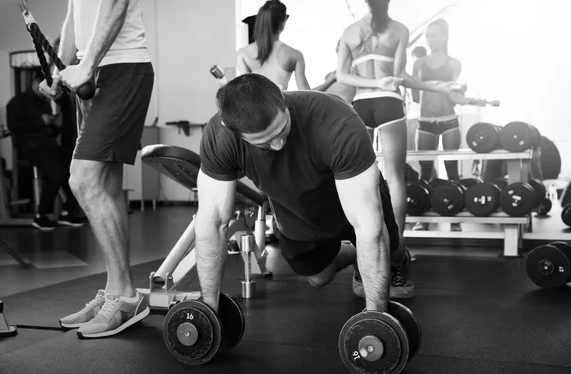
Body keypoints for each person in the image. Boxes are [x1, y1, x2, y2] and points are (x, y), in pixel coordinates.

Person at [195, 73, 412, 316]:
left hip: (351, 191)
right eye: (265, 143)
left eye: (282, 130)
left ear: (282, 97)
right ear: (231, 130)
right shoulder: (220, 137)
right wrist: (208, 310)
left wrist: (376, 318)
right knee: (319, 277)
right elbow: (212, 222)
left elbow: (369, 227)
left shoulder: (336, 122)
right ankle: (355, 256)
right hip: (295, 207)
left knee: (389, 247)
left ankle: (398, 258)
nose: (278, 146)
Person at [40, 0, 154, 338]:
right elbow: (73, 17)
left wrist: (87, 63)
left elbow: (116, 5)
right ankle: (114, 290)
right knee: (107, 186)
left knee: (84, 182)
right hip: (90, 73)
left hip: (121, 67)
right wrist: (59, 70)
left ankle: (127, 297)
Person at [336, 0, 455, 262]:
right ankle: (397, 247)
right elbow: (401, 76)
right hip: (389, 101)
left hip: (361, 105)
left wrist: (372, 82)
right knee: (395, 175)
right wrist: (436, 87)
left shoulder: (350, 32)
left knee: (360, 178)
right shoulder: (399, 30)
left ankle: (365, 243)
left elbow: (342, 76)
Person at [6, 71, 85, 231]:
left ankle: (67, 211)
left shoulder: (45, 103)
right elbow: (13, 126)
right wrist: (40, 121)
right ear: (36, 82)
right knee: (55, 174)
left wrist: (56, 125)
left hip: (49, 145)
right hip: (31, 147)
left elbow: (51, 131)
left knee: (76, 169)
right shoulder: (18, 102)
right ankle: (41, 215)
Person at [411, 19, 465, 231]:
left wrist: (456, 95)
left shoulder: (454, 64)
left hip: (449, 120)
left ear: (445, 36)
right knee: (424, 172)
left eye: (435, 35)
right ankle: (422, 220)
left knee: (453, 172)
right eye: (428, 35)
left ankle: (455, 219)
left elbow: (453, 96)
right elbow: (416, 96)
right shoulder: (418, 64)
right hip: (425, 122)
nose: (431, 39)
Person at [236, 0, 335, 92]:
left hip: (255, 110)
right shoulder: (294, 55)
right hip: (283, 109)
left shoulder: (242, 54)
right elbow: (307, 94)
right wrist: (331, 79)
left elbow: (247, 93)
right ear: (283, 22)